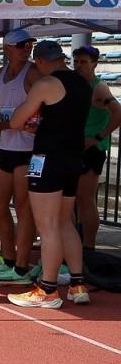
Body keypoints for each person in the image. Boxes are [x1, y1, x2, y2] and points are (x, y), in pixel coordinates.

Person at [7, 41, 111, 308]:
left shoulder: (47, 84)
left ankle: (48, 288)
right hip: (73, 157)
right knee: (65, 222)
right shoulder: (82, 83)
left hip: (48, 158)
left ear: (41, 61)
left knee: (48, 225)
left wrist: (32, 120)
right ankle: (77, 284)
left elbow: (17, 120)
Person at [0, 28, 39, 283]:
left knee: (24, 209)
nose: (27, 48)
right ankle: (9, 259)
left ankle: (22, 267)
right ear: (7, 48)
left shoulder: (34, 73)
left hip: (29, 149)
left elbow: (38, 112)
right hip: (7, 149)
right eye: (22, 44)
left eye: (30, 44)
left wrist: (2, 125)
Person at [71, 45, 121, 257]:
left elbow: (118, 112)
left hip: (91, 149)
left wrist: (99, 137)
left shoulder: (98, 87)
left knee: (85, 198)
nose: (79, 66)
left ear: (94, 64)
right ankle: (75, 241)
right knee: (71, 198)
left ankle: (89, 246)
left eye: (83, 62)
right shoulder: (76, 84)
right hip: (74, 147)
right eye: (76, 61)